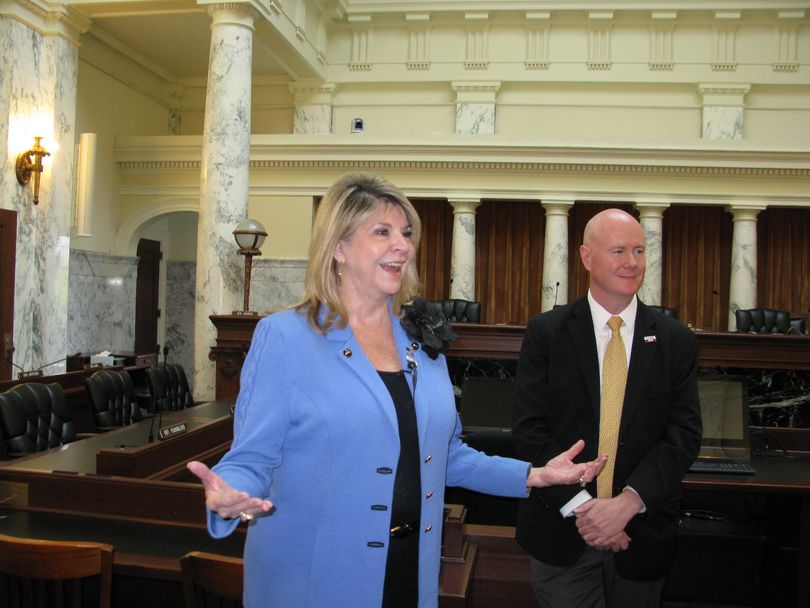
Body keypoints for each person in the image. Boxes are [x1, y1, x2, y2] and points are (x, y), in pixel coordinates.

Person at [187, 173, 607, 608]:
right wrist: (228, 493)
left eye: (406, 234)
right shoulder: (286, 338)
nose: (403, 245)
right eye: (382, 232)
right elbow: (252, 458)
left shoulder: (421, 344)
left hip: (410, 570)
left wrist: (535, 476)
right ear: (338, 248)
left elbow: (447, 457)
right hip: (314, 581)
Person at [512, 208, 702, 608]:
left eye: (638, 250)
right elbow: (530, 431)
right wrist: (588, 512)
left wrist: (626, 505)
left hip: (641, 535)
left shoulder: (675, 340)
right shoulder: (546, 333)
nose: (632, 263)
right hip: (562, 532)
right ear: (585, 257)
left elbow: (683, 435)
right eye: (618, 251)